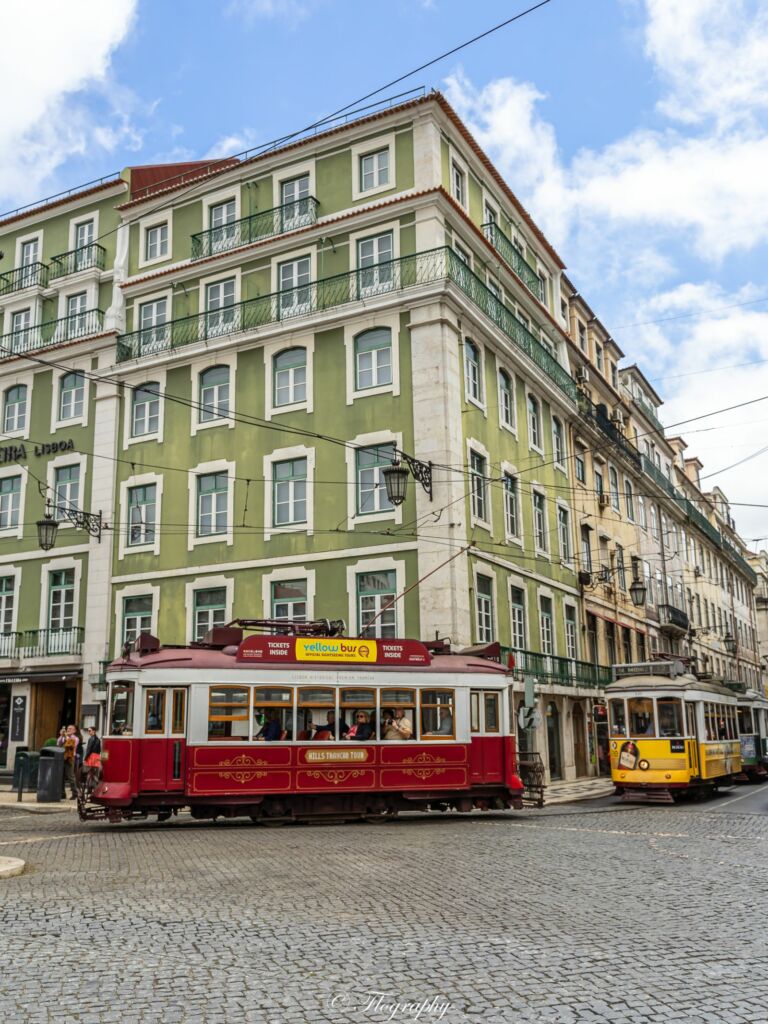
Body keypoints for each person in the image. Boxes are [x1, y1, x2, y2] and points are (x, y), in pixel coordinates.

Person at [61, 725, 79, 799]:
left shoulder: (76, 738)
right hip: (63, 757)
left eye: (70, 729)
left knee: (70, 776)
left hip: (70, 758)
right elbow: (58, 743)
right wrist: (62, 736)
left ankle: (75, 793)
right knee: (61, 776)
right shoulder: (64, 736)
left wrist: (66, 736)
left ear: (74, 731)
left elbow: (71, 745)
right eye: (67, 728)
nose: (68, 730)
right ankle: (62, 794)